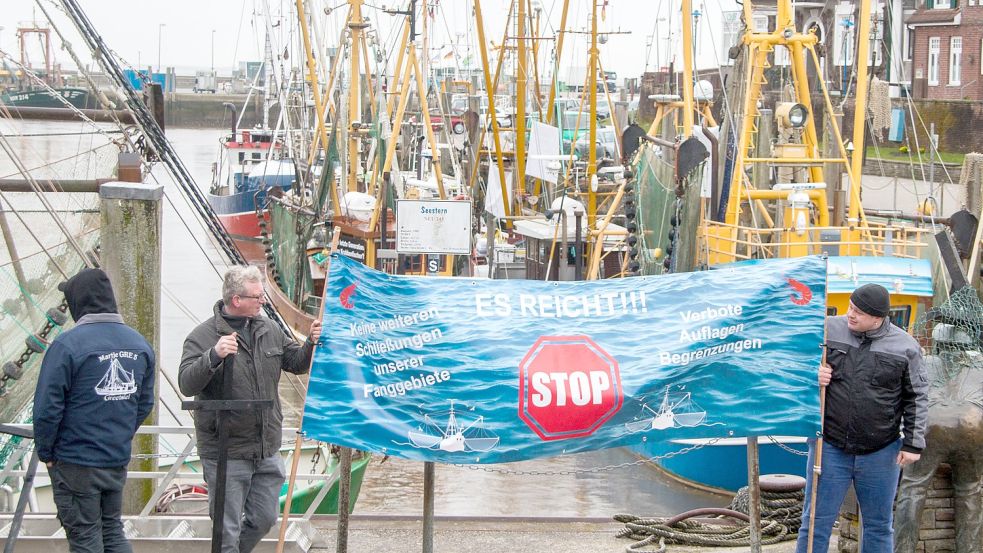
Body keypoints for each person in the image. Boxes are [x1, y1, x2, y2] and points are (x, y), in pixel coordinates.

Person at [179, 265, 321, 553]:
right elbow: (186, 383)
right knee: (226, 528)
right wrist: (213, 356)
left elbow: (294, 362)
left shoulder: (268, 329)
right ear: (236, 300)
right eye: (257, 297)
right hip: (226, 451)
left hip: (266, 447)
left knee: (265, 518)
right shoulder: (202, 336)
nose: (263, 301)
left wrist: (310, 343)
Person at [796, 283, 928, 553]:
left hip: (881, 451)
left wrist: (913, 444)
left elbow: (916, 396)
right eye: (850, 307)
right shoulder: (826, 329)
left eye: (858, 312)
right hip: (829, 447)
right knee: (814, 523)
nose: (850, 314)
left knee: (879, 525)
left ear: (878, 318)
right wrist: (811, 374)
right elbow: (791, 362)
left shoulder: (906, 347)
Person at [33, 268, 156, 553]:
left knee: (85, 536)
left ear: (79, 301)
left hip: (75, 459)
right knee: (112, 530)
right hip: (114, 457)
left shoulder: (67, 346)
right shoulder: (139, 344)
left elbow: (47, 409)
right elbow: (144, 403)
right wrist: (118, 435)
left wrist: (47, 453)